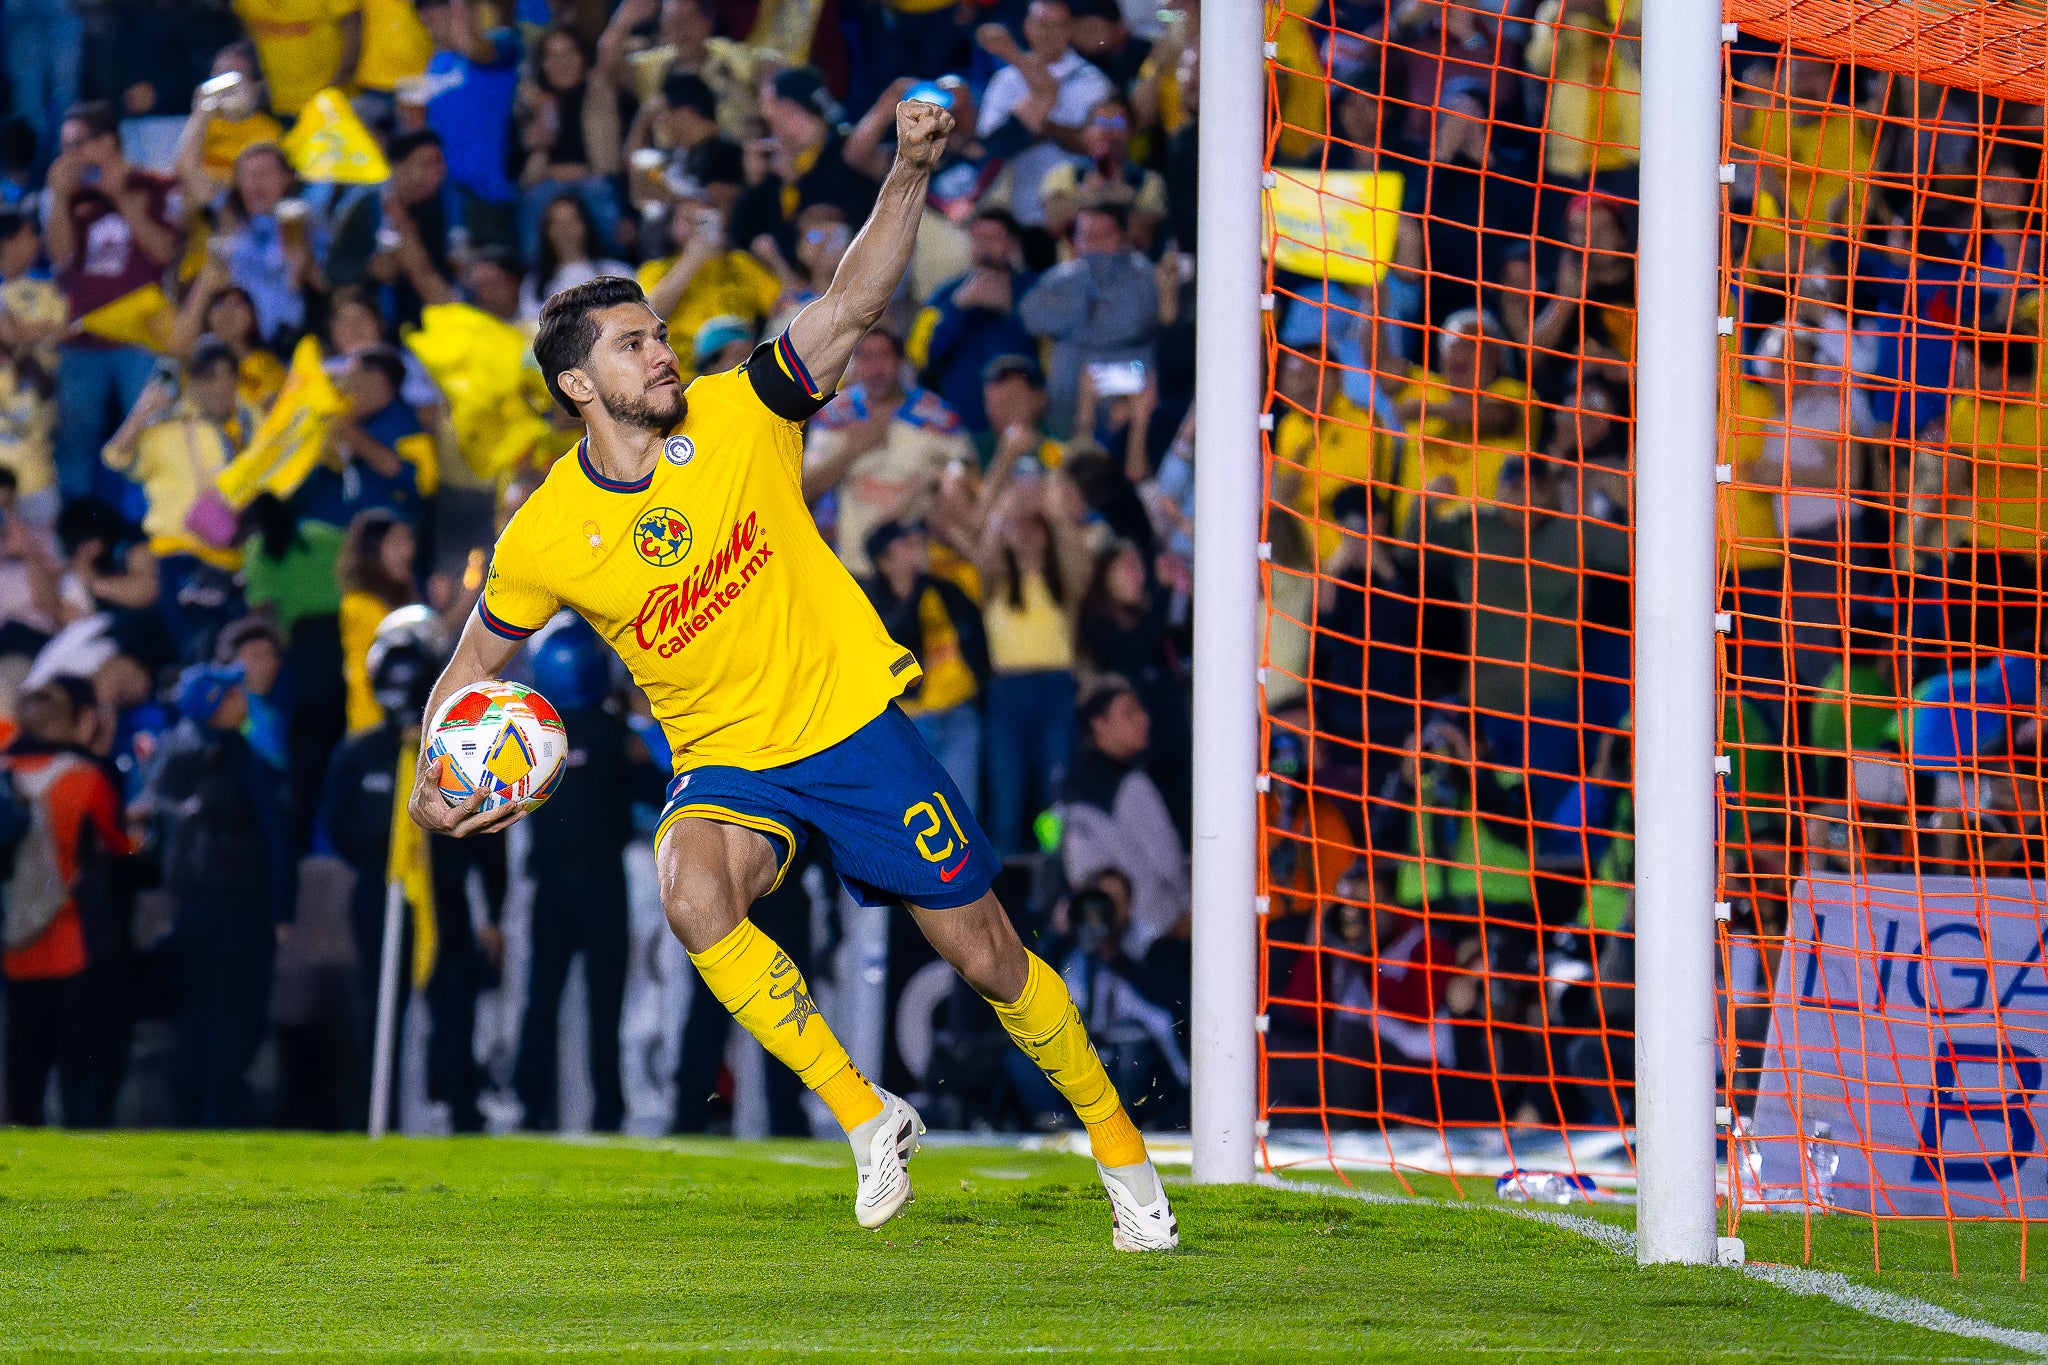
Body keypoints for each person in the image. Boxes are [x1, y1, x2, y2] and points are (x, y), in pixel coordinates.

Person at [407, 99, 1178, 1249]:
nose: (661, 350)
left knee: (986, 957)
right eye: (631, 344)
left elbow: (851, 304)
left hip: (850, 728)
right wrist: (433, 773)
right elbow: (472, 661)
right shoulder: (544, 533)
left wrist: (907, 170)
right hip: (726, 759)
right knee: (689, 894)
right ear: (578, 387)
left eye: (658, 332)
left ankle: (1124, 1158)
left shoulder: (740, 409)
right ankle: (868, 1116)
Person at [322, 609, 505, 1132]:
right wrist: (382, 859)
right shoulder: (358, 754)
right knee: (377, 1008)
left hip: (446, 898)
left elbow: (487, 839)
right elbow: (336, 825)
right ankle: (372, 1116)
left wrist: (491, 911)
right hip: (379, 897)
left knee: (454, 1007)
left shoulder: (463, 754)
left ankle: (463, 1115)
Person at [512, 614, 664, 1132]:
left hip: (553, 882)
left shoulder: (533, 737)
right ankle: (607, 1108)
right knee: (604, 1000)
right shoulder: (613, 733)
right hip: (600, 881)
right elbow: (659, 789)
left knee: (544, 996)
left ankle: (532, 1103)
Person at [142, 660, 295, 1125]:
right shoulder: (238, 758)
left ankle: (195, 1112)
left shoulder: (171, 758)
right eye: (231, 694)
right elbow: (273, 835)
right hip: (238, 907)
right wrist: (281, 909)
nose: (241, 698)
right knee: (234, 1014)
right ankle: (221, 1113)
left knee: (196, 1016)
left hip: (190, 907)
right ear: (216, 706)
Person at [2, 677, 134, 1127]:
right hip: (71, 942)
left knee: (24, 1070)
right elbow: (119, 846)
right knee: (81, 1068)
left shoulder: (4, 774)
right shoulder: (84, 777)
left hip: (14, 946)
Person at [47, 101, 183, 503]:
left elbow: (164, 253)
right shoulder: (74, 198)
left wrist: (124, 201)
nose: (69, 156)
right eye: (64, 147)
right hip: (83, 337)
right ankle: (77, 523)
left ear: (107, 142)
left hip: (142, 338)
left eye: (76, 144)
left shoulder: (156, 185)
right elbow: (61, 260)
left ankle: (146, 520)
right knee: (74, 437)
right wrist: (58, 199)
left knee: (144, 434)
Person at [803, 329, 972, 576]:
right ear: (853, 363)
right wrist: (853, 449)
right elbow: (805, 490)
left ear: (900, 361)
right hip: (850, 568)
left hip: (917, 570)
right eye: (865, 357)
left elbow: (968, 475)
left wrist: (945, 478)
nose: (875, 369)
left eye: (883, 356)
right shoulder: (835, 415)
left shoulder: (936, 415)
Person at [1058, 677, 1188, 959]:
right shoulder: (1130, 785)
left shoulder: (1068, 786)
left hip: (1097, 939)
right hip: (1156, 937)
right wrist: (1186, 914)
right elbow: (1169, 864)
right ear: (1098, 724)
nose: (1144, 719)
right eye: (1129, 712)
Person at [863, 520, 990, 808]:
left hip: (957, 713)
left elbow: (976, 631)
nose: (916, 552)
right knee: (914, 810)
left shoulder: (946, 590)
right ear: (884, 562)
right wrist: (912, 591)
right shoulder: (872, 603)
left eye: (917, 544)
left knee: (964, 811)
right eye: (904, 547)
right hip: (908, 722)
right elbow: (896, 640)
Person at [1019, 202, 1159, 434]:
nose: (1094, 245)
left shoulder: (1146, 277)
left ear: (1123, 237)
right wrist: (1082, 305)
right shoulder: (1060, 279)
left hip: (1130, 382)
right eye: (1086, 236)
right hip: (1069, 403)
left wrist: (1084, 319)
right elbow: (1031, 318)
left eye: (1103, 236)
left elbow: (1136, 322)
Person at [974, 2, 1114, 228]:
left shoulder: (1094, 81)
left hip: (1073, 205)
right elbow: (988, 142)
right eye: (1042, 25)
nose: (1049, 33)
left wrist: (1044, 129)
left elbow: (1099, 142)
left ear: (1070, 29)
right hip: (1016, 204)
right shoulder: (1005, 80)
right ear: (1027, 26)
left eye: (1057, 25)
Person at [909, 209, 1039, 435]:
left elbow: (1045, 352)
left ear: (1011, 243)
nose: (984, 246)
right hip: (957, 424)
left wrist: (1010, 312)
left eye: (993, 237)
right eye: (978, 238)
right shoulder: (945, 295)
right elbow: (919, 356)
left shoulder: (1034, 289)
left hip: (1020, 421)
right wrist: (957, 308)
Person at [338, 509, 420, 733]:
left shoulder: (398, 601)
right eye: (396, 542)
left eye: (408, 540)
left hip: (396, 726)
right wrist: (464, 601)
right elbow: (417, 647)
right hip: (374, 728)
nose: (408, 550)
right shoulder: (359, 605)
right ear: (371, 551)